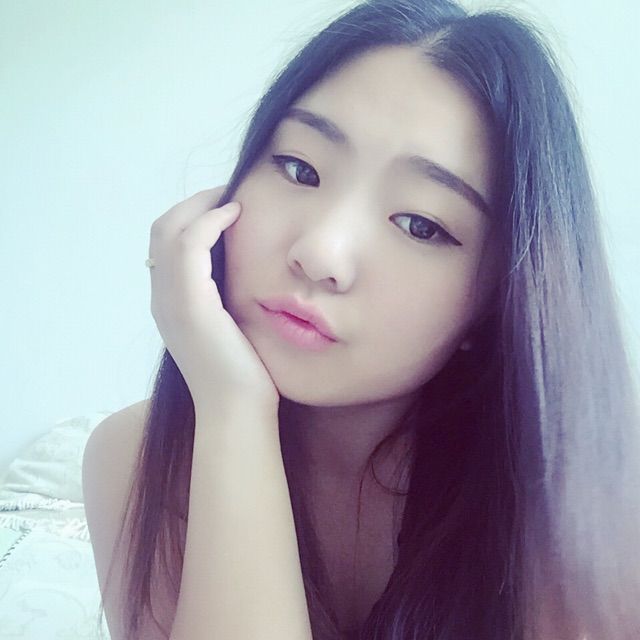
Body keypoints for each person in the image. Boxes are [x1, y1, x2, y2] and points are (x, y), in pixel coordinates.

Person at [82, 1, 640, 638]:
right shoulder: (133, 459)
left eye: (420, 225)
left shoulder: (589, 505)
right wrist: (233, 409)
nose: (321, 253)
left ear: (499, 296)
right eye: (300, 169)